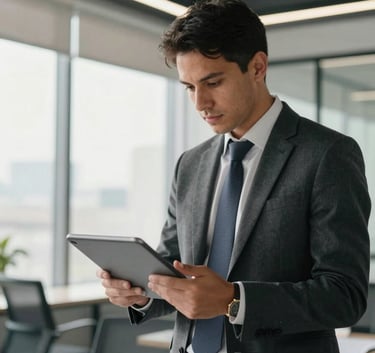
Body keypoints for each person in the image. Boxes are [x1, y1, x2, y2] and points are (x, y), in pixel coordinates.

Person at [97, 1, 371, 352]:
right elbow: (176, 276)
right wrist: (140, 294)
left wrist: (234, 300)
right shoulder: (190, 165)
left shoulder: (326, 154)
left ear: (257, 67)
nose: (200, 103)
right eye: (189, 87)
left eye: (212, 82)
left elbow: (344, 295)